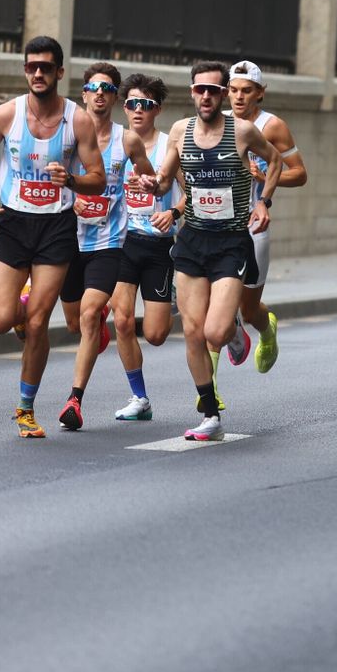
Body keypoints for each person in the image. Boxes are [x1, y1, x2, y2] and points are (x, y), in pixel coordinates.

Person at [0, 37, 105, 439]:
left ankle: (25, 409)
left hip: (56, 227)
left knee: (40, 322)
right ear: (26, 71)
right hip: (13, 223)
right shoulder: (6, 115)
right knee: (1, 321)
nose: (38, 73)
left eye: (46, 67)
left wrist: (73, 179)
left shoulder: (76, 121)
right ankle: (22, 307)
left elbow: (97, 180)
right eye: (32, 67)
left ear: (60, 72)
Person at [139, 61, 282, 441]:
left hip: (232, 242)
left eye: (213, 91)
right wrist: (152, 186)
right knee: (192, 332)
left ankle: (233, 326)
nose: (206, 96)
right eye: (199, 89)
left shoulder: (243, 131)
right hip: (192, 240)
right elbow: (166, 179)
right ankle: (210, 415)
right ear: (192, 92)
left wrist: (264, 201)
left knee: (214, 333)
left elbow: (277, 160)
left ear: (222, 96)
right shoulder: (180, 131)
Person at [57, 64, 154, 431]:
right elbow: (45, 177)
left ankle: (74, 400)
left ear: (115, 97)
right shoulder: (65, 135)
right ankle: (95, 331)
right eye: (93, 87)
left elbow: (151, 177)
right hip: (68, 240)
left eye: (108, 88)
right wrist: (72, 194)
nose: (99, 93)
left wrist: (154, 187)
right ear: (83, 94)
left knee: (88, 312)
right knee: (74, 322)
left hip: (109, 241)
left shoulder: (126, 140)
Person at [224, 60, 308, 374]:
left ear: (260, 93)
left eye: (247, 91)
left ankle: (266, 329)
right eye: (233, 90)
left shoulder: (272, 126)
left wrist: (263, 180)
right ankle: (209, 396)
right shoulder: (216, 122)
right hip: (220, 225)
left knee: (248, 308)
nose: (239, 97)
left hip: (255, 223)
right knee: (216, 300)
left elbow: (299, 174)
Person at [111, 74, 183, 422]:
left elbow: (192, 193)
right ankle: (139, 397)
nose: (138, 111)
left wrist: (173, 212)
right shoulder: (112, 142)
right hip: (122, 243)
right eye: (132, 104)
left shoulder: (171, 145)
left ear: (158, 109)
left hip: (158, 246)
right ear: (123, 107)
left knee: (155, 335)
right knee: (122, 321)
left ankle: (176, 295)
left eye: (146, 105)